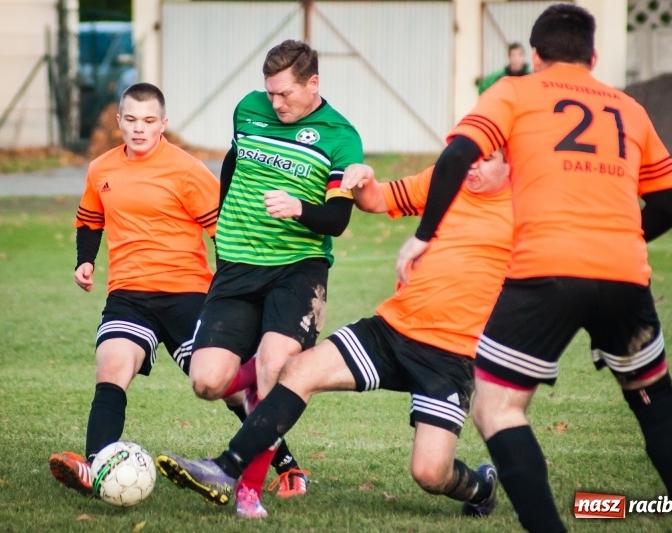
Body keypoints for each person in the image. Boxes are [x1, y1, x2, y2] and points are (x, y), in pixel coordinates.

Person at [396, 5, 672, 533]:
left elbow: (457, 156)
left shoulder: (516, 91)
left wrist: (422, 237)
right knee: (656, 400)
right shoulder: (629, 108)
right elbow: (671, 205)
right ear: (594, 57)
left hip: (546, 268)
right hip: (623, 273)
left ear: (535, 57)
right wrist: (620, 239)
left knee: (497, 409)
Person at [156, 149, 513, 518]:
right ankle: (226, 468)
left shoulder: (528, 212)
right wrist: (364, 179)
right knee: (298, 370)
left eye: (486, 158)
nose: (472, 164)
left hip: (450, 358)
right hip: (391, 331)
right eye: (469, 154)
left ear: (511, 161)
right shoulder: (446, 179)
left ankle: (481, 487)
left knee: (430, 473)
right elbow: (377, 199)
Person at [47, 82, 302, 499]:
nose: (139, 128)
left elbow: (225, 233)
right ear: (119, 122)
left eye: (149, 120)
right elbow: (90, 219)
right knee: (111, 368)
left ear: (163, 123)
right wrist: (85, 260)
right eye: (131, 119)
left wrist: (238, 292)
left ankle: (288, 467)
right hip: (128, 296)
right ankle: (96, 467)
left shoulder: (186, 170)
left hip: (188, 295)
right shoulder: (101, 169)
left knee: (227, 387)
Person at [154, 39, 364, 518]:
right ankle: (258, 381)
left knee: (274, 368)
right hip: (237, 266)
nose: (275, 103)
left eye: (285, 94)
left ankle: (248, 494)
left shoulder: (340, 137)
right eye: (270, 92)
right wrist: (224, 223)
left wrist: (298, 208)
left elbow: (337, 220)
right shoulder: (248, 109)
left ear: (313, 83)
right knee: (208, 382)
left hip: (298, 269)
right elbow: (234, 161)